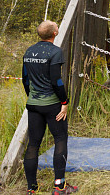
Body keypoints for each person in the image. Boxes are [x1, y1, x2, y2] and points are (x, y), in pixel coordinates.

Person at [22, 21, 78, 195]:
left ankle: (32, 188)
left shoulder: (29, 51)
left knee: (33, 144)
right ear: (54, 33)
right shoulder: (55, 52)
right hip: (53, 105)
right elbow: (56, 81)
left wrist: (32, 96)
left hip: (33, 104)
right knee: (60, 139)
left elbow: (25, 79)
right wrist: (64, 102)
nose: (57, 26)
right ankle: (59, 186)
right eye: (55, 25)